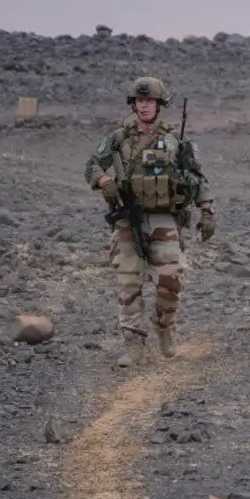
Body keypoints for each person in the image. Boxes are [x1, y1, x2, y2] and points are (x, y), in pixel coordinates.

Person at [84, 75, 214, 366]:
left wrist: (207, 211)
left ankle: (164, 327)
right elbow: (92, 166)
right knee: (129, 281)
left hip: (164, 218)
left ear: (159, 105)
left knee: (170, 281)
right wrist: (105, 180)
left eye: (150, 101)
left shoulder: (174, 140)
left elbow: (197, 177)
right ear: (134, 104)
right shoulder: (118, 138)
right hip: (129, 220)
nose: (144, 107)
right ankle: (134, 344)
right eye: (140, 101)